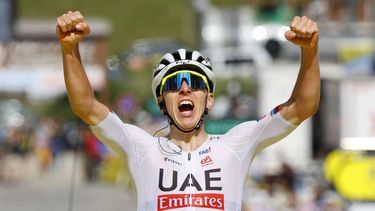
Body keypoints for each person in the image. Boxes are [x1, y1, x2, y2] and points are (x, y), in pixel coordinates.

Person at [56, 11, 320, 211]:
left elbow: (302, 107)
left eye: (195, 83)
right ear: (161, 102)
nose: (184, 89)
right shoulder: (141, 147)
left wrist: (310, 51)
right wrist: (69, 48)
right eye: (173, 84)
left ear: (210, 99)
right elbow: (86, 106)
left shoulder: (236, 143)